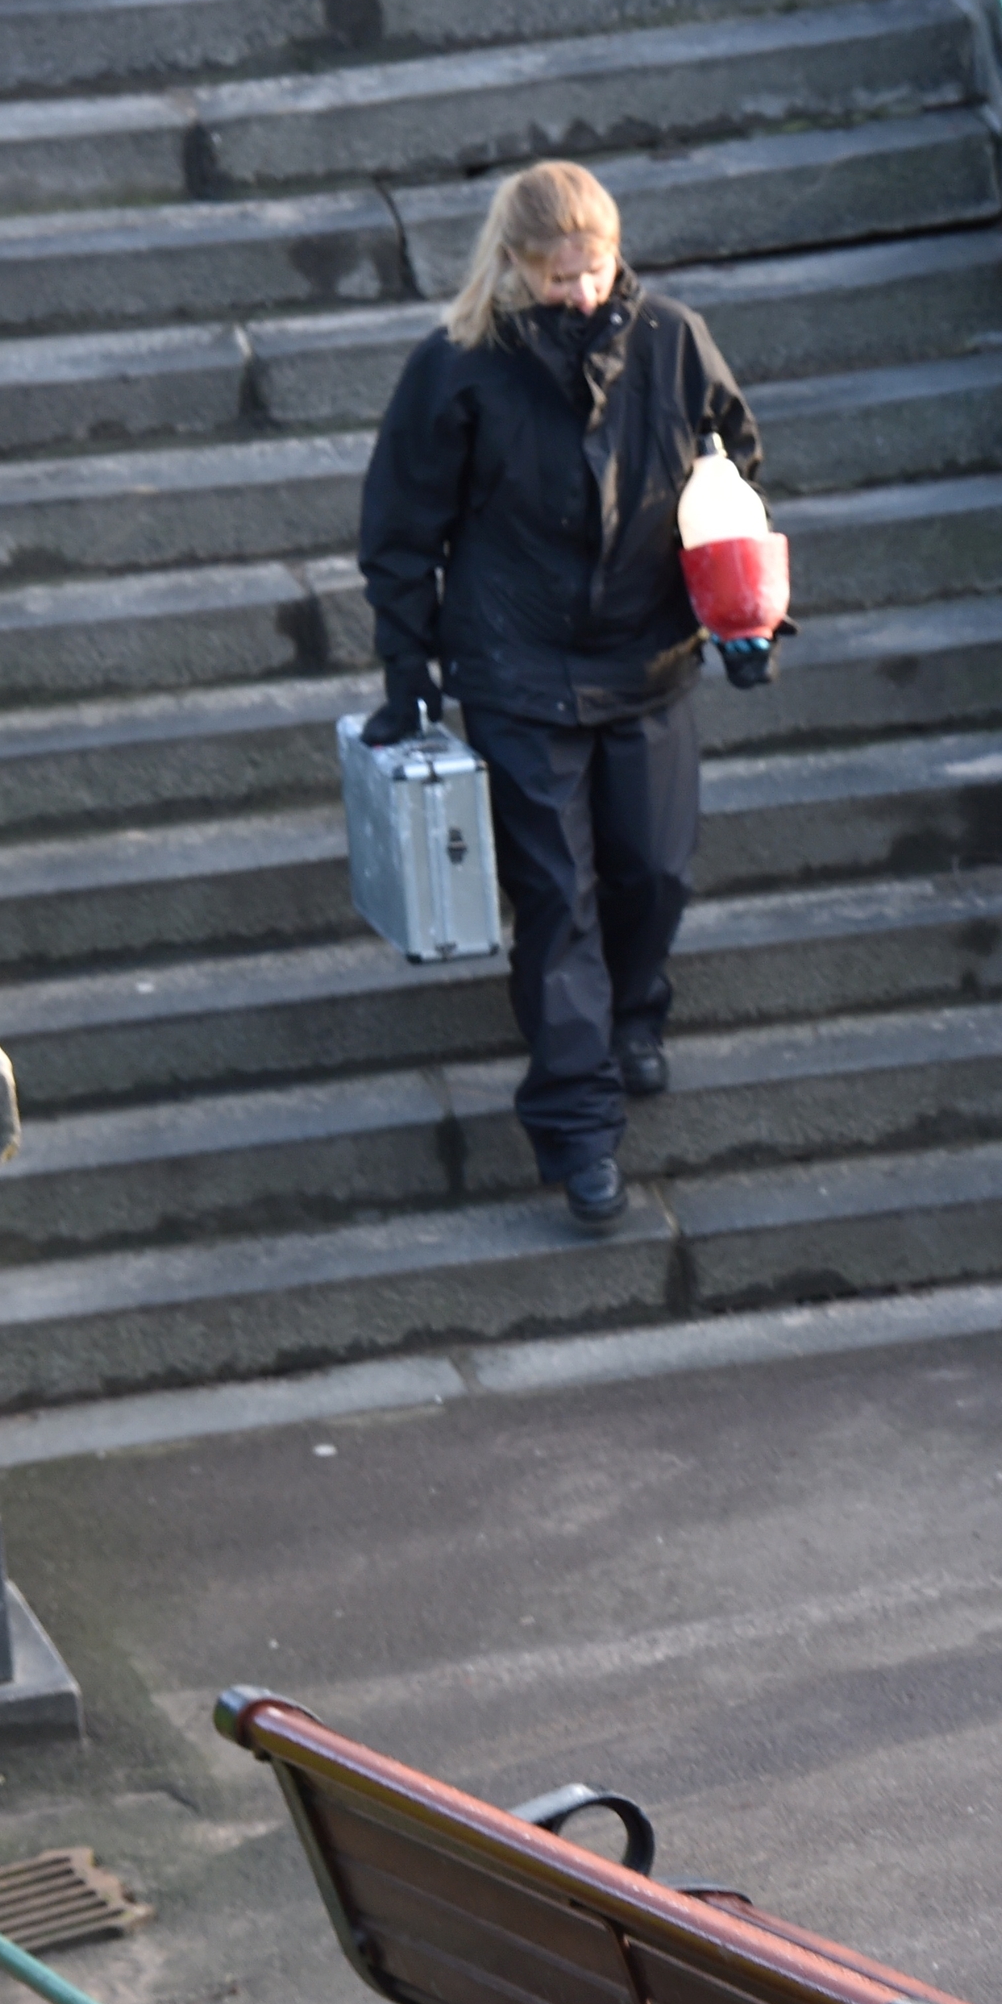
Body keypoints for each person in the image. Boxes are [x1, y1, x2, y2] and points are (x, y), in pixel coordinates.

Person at [355, 159, 780, 1229]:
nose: (582, 293)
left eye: (595, 271)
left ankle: (635, 1015)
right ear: (511, 266)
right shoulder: (455, 370)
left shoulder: (673, 342)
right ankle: (580, 1130)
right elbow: (399, 535)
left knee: (655, 872)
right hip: (516, 674)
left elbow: (729, 476)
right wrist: (410, 678)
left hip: (648, 662)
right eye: (558, 277)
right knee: (558, 906)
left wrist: (742, 615)